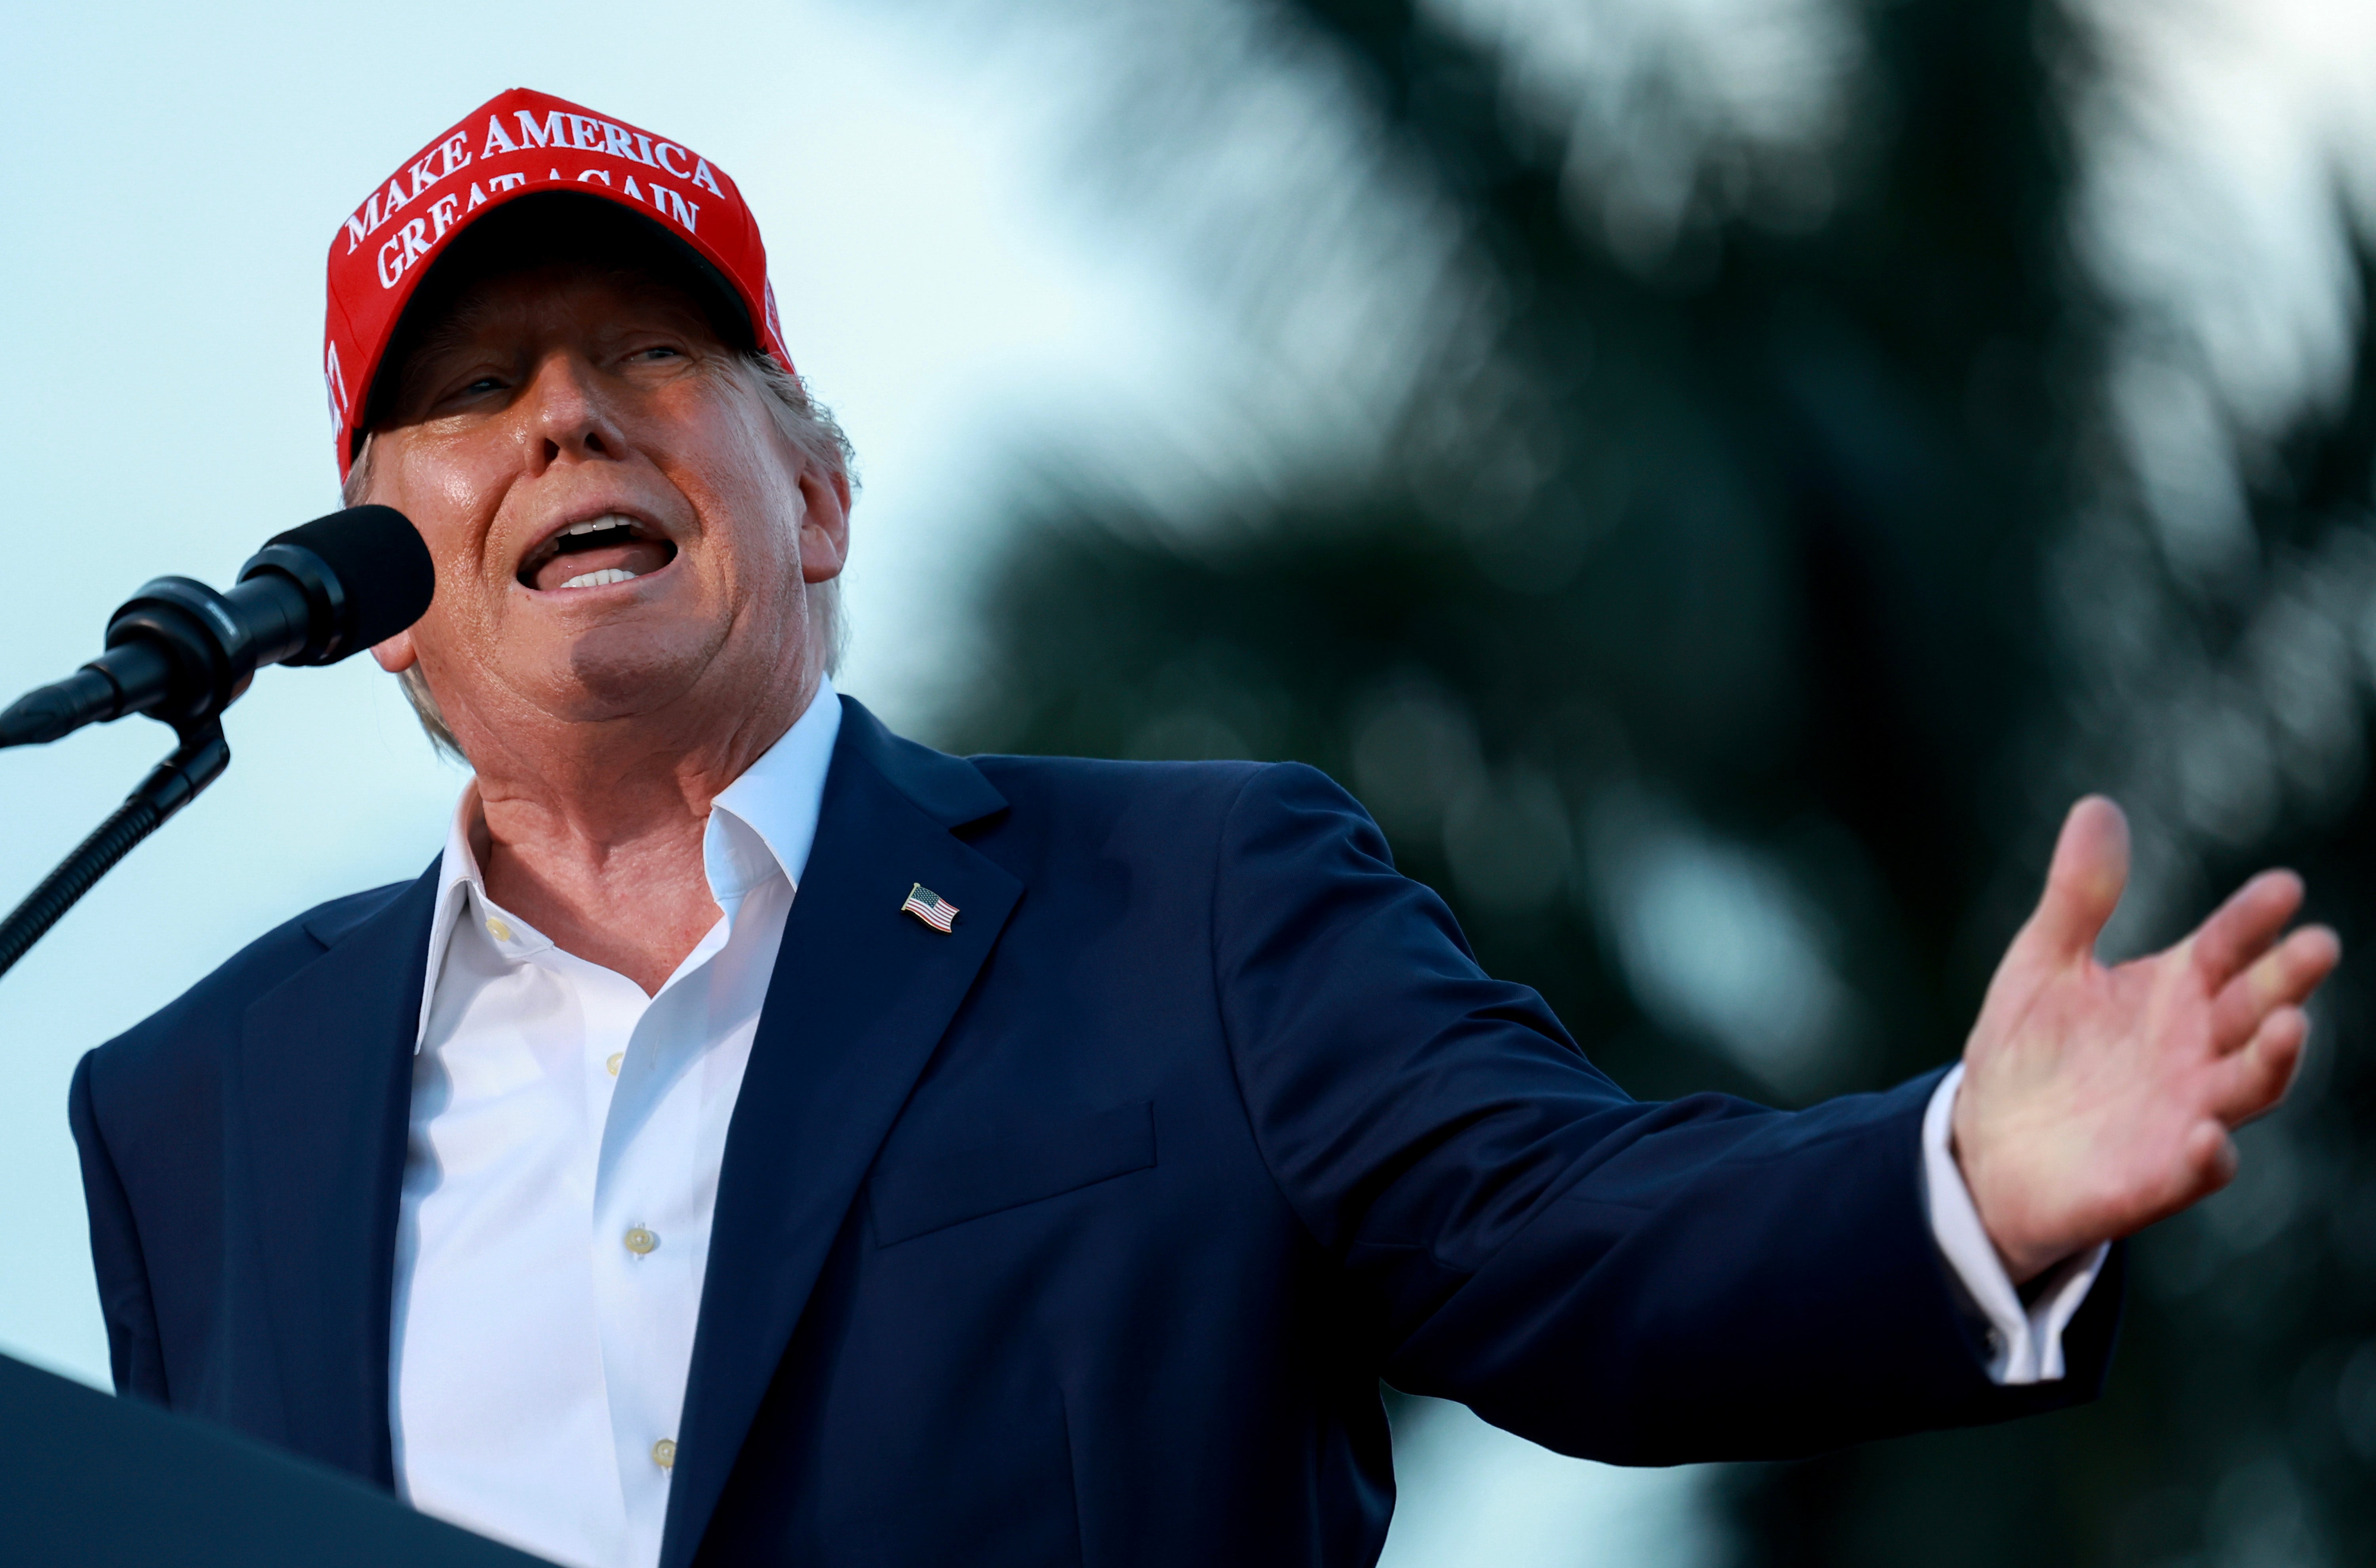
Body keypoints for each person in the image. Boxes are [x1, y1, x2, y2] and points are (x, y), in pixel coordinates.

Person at [69, 89, 2340, 1568]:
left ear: (819, 493)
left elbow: (1582, 1254)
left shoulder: (1190, 907)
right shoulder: (195, 1100)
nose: (563, 411)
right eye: (468, 392)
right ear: (375, 581)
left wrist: (1962, 1186)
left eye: (650, 356)